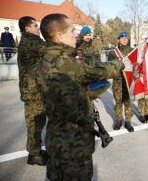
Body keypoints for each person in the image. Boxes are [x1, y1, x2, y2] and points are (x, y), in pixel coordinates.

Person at [37, 13, 124, 180]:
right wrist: (120, 63)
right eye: (72, 31)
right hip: (75, 145)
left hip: (55, 139)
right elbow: (104, 70)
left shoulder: (45, 60)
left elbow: (65, 94)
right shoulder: (68, 64)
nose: (76, 34)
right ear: (60, 36)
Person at [17, 16, 48, 166]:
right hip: (33, 91)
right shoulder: (30, 42)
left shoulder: (32, 41)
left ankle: (36, 150)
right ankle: (34, 155)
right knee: (34, 123)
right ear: (27, 28)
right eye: (35, 26)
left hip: (36, 89)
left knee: (38, 122)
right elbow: (50, 50)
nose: (38, 28)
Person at [108, 31, 134, 132]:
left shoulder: (132, 51)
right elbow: (109, 66)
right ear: (118, 40)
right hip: (118, 81)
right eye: (122, 38)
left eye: (126, 38)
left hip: (128, 81)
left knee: (128, 102)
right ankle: (118, 121)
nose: (124, 39)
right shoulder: (113, 52)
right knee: (118, 102)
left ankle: (128, 122)